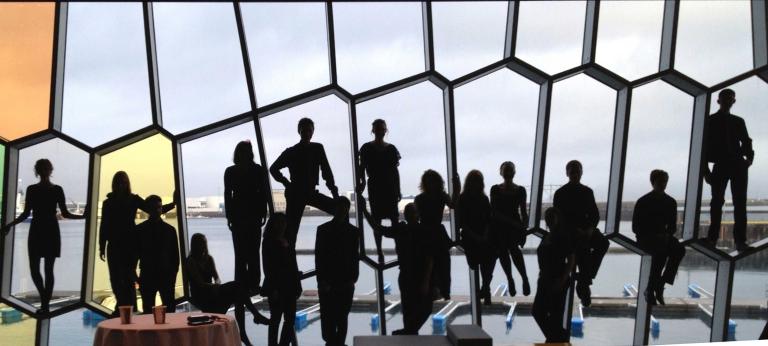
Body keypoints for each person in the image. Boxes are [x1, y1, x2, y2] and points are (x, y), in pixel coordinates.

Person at [1, 159, 86, 313]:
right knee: (49, 269)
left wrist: (9, 225)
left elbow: (26, 214)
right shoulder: (57, 190)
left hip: (37, 229)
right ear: (50, 170)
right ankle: (46, 303)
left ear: (37, 171)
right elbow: (66, 213)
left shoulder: (32, 189)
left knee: (35, 269)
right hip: (51, 230)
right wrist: (83, 217)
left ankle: (44, 301)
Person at [98, 171, 176, 315]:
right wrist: (101, 246)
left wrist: (102, 245)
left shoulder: (111, 202)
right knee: (117, 278)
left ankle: (124, 307)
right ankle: (126, 306)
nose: (122, 185)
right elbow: (153, 210)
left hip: (123, 244)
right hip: (124, 243)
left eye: (124, 182)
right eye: (120, 182)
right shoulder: (130, 200)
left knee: (125, 277)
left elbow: (152, 209)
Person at [363, 200, 434, 335]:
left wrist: (365, 212)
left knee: (410, 309)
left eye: (411, 212)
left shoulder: (402, 230)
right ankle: (410, 332)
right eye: (409, 213)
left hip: (409, 275)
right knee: (420, 308)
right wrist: (427, 280)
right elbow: (429, 257)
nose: (410, 215)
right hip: (415, 275)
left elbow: (378, 228)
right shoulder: (422, 231)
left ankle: (409, 332)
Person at [186, 233, 269, 346]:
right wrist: (214, 286)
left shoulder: (209, 259)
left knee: (238, 293)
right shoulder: (191, 261)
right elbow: (199, 284)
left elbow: (217, 278)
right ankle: (252, 321)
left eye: (204, 243)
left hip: (212, 291)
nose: (203, 246)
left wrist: (217, 284)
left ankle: (245, 331)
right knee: (238, 289)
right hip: (200, 294)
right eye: (200, 244)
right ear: (195, 245)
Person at [270, 118, 338, 247]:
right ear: (299, 132)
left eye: (309, 130)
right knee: (291, 232)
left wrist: (286, 183)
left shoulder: (292, 151)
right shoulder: (316, 148)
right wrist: (334, 192)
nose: (307, 133)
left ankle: (290, 262)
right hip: (304, 192)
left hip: (297, 192)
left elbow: (273, 169)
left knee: (291, 232)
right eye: (305, 130)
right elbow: (326, 172)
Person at [703, 89, 755, 252]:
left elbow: (703, 147)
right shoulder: (737, 121)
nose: (728, 102)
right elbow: (746, 142)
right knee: (739, 204)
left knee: (717, 202)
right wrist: (748, 159)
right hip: (736, 165)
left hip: (723, 165)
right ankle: (739, 242)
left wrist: (706, 171)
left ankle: (712, 239)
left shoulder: (711, 121)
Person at [552, 160, 608, 307]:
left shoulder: (561, 193)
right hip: (572, 232)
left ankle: (585, 280)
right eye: (573, 172)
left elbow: (557, 217)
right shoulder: (586, 192)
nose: (575, 174)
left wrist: (587, 230)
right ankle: (586, 279)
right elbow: (594, 216)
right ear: (568, 173)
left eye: (576, 171)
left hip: (575, 231)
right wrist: (588, 229)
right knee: (596, 244)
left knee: (598, 244)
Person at [632, 170, 686, 306]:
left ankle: (655, 286)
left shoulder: (645, 201)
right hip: (647, 238)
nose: (663, 184)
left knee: (679, 250)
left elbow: (672, 227)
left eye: (664, 182)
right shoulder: (667, 202)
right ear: (653, 182)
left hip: (659, 238)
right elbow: (636, 228)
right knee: (662, 252)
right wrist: (662, 235)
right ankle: (657, 286)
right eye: (660, 182)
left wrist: (666, 235)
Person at [225, 140, 270, 294]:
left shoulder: (230, 171)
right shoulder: (258, 170)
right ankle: (254, 283)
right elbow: (263, 193)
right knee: (253, 252)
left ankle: (240, 283)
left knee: (240, 253)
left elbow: (227, 195)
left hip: (239, 216)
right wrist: (263, 212)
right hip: (253, 215)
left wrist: (229, 216)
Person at [315, 197, 360, 346]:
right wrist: (353, 278)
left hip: (332, 282)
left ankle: (333, 343)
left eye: (343, 208)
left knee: (330, 318)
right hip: (343, 282)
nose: (342, 211)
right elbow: (354, 257)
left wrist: (321, 280)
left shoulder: (322, 230)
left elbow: (319, 257)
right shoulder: (353, 232)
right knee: (341, 318)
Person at [357, 119, 402, 263]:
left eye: (381, 129)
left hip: (386, 187)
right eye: (378, 129)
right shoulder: (372, 148)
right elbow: (362, 168)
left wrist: (398, 189)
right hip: (377, 187)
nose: (380, 131)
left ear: (384, 131)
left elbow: (395, 172)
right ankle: (380, 251)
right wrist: (362, 182)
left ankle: (395, 249)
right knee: (379, 219)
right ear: (374, 131)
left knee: (391, 219)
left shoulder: (388, 149)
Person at [415, 169, 459, 301]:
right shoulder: (442, 196)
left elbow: (416, 218)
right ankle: (444, 290)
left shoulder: (419, 199)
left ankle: (431, 290)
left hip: (425, 233)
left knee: (429, 265)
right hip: (438, 234)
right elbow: (453, 205)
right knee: (443, 264)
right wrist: (457, 189)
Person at [532, 207, 575, 343]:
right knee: (539, 312)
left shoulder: (563, 236)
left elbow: (571, 260)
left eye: (552, 216)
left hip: (556, 279)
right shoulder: (546, 236)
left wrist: (562, 280)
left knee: (552, 314)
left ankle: (556, 339)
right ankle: (559, 338)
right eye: (548, 217)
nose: (549, 219)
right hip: (545, 278)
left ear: (557, 219)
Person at [489, 161, 531, 298]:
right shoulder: (519, 190)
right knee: (513, 250)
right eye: (506, 170)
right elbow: (523, 212)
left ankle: (513, 279)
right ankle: (522, 278)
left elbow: (495, 212)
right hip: (510, 226)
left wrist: (523, 228)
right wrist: (521, 226)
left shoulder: (496, 190)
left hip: (504, 227)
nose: (507, 173)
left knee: (505, 251)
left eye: (509, 170)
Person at [262, 213, 301, 346]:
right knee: (281, 319)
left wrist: (297, 285)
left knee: (283, 320)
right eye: (279, 222)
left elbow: (292, 264)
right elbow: (268, 267)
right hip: (279, 287)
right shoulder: (271, 242)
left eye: (283, 222)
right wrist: (273, 289)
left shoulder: (279, 241)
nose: (281, 225)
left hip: (288, 286)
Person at [136, 195, 179, 314]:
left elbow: (135, 255)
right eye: (156, 207)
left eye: (159, 207)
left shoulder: (140, 230)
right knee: (169, 310)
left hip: (147, 274)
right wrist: (173, 274)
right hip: (165, 275)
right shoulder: (170, 230)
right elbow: (175, 257)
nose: (158, 210)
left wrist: (136, 277)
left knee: (148, 311)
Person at [457, 170, 494, 305]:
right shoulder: (483, 199)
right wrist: (483, 236)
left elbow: (462, 223)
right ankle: (486, 288)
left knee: (478, 262)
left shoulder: (463, 199)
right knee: (487, 260)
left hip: (472, 237)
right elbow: (488, 220)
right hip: (477, 237)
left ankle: (485, 288)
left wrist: (480, 236)